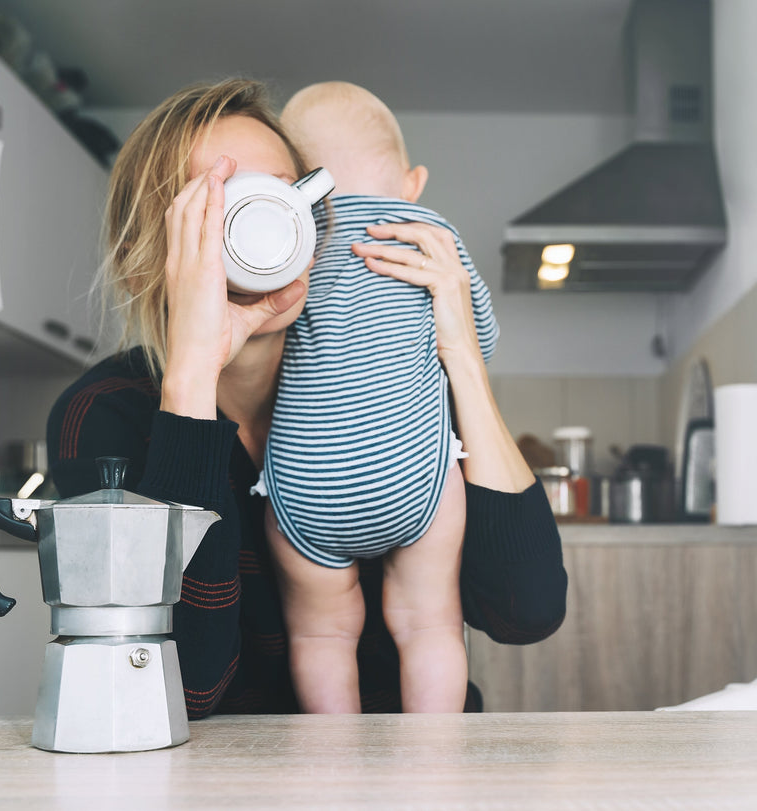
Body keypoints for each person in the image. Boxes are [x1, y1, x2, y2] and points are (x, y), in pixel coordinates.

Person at [45, 78, 567, 717]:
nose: (267, 225)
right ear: (141, 262)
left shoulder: (388, 377)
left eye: (284, 196)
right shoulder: (102, 415)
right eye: (220, 207)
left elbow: (527, 612)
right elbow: (182, 688)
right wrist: (191, 378)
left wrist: (460, 356)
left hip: (418, 763)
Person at [254, 81, 495, 713]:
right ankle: (433, 761)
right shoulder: (430, 233)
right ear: (412, 181)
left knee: (322, 632)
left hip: (308, 483)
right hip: (410, 474)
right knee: (430, 626)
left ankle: (334, 764)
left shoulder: (296, 238)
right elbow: (479, 340)